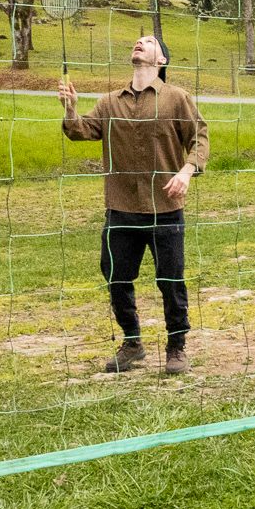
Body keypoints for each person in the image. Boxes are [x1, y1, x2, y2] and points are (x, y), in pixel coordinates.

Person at [59, 33, 208, 374]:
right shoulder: (110, 101)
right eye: (138, 41)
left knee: (170, 279)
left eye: (149, 41)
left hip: (165, 208)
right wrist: (70, 109)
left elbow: (199, 137)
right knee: (115, 276)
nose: (140, 43)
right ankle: (132, 343)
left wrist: (187, 171)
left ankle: (176, 348)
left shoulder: (177, 99)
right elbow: (81, 130)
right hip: (121, 206)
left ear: (162, 60)